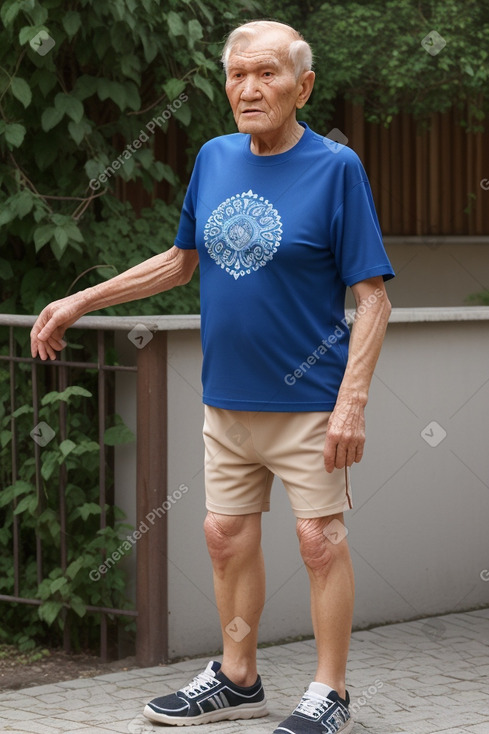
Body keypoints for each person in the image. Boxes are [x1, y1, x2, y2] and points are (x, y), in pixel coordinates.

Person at [30, 19, 394, 734]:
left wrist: (352, 402)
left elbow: (372, 296)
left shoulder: (334, 168)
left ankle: (331, 693)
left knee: (319, 541)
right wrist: (79, 298)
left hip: (309, 401)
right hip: (226, 398)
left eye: (268, 74)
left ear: (303, 86)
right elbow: (177, 260)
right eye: (237, 75)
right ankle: (237, 679)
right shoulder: (214, 157)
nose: (250, 88)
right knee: (225, 535)